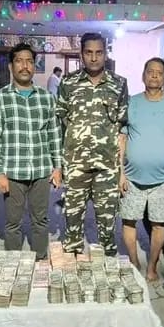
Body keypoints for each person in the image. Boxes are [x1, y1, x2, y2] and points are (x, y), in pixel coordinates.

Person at [0, 43, 63, 260]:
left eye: (29, 61)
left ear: (34, 66)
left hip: (40, 171)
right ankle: (14, 263)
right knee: (13, 223)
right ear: (11, 66)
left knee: (41, 220)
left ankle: (40, 259)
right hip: (13, 173)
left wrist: (57, 167)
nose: (25, 66)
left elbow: (54, 134)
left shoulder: (46, 98)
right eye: (19, 61)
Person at [56, 32, 128, 255]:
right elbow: (61, 121)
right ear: (81, 54)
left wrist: (121, 169)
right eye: (89, 52)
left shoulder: (119, 84)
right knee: (72, 223)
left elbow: (121, 128)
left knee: (108, 226)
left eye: (99, 52)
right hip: (76, 164)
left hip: (107, 166)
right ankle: (72, 263)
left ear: (105, 54)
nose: (94, 58)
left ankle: (107, 264)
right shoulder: (68, 83)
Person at [118, 58, 164, 282]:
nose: (154, 75)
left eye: (159, 72)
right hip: (132, 177)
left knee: (158, 223)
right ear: (143, 75)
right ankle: (134, 262)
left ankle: (152, 266)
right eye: (150, 71)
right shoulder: (132, 103)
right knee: (128, 221)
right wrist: (121, 173)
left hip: (163, 179)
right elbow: (122, 139)